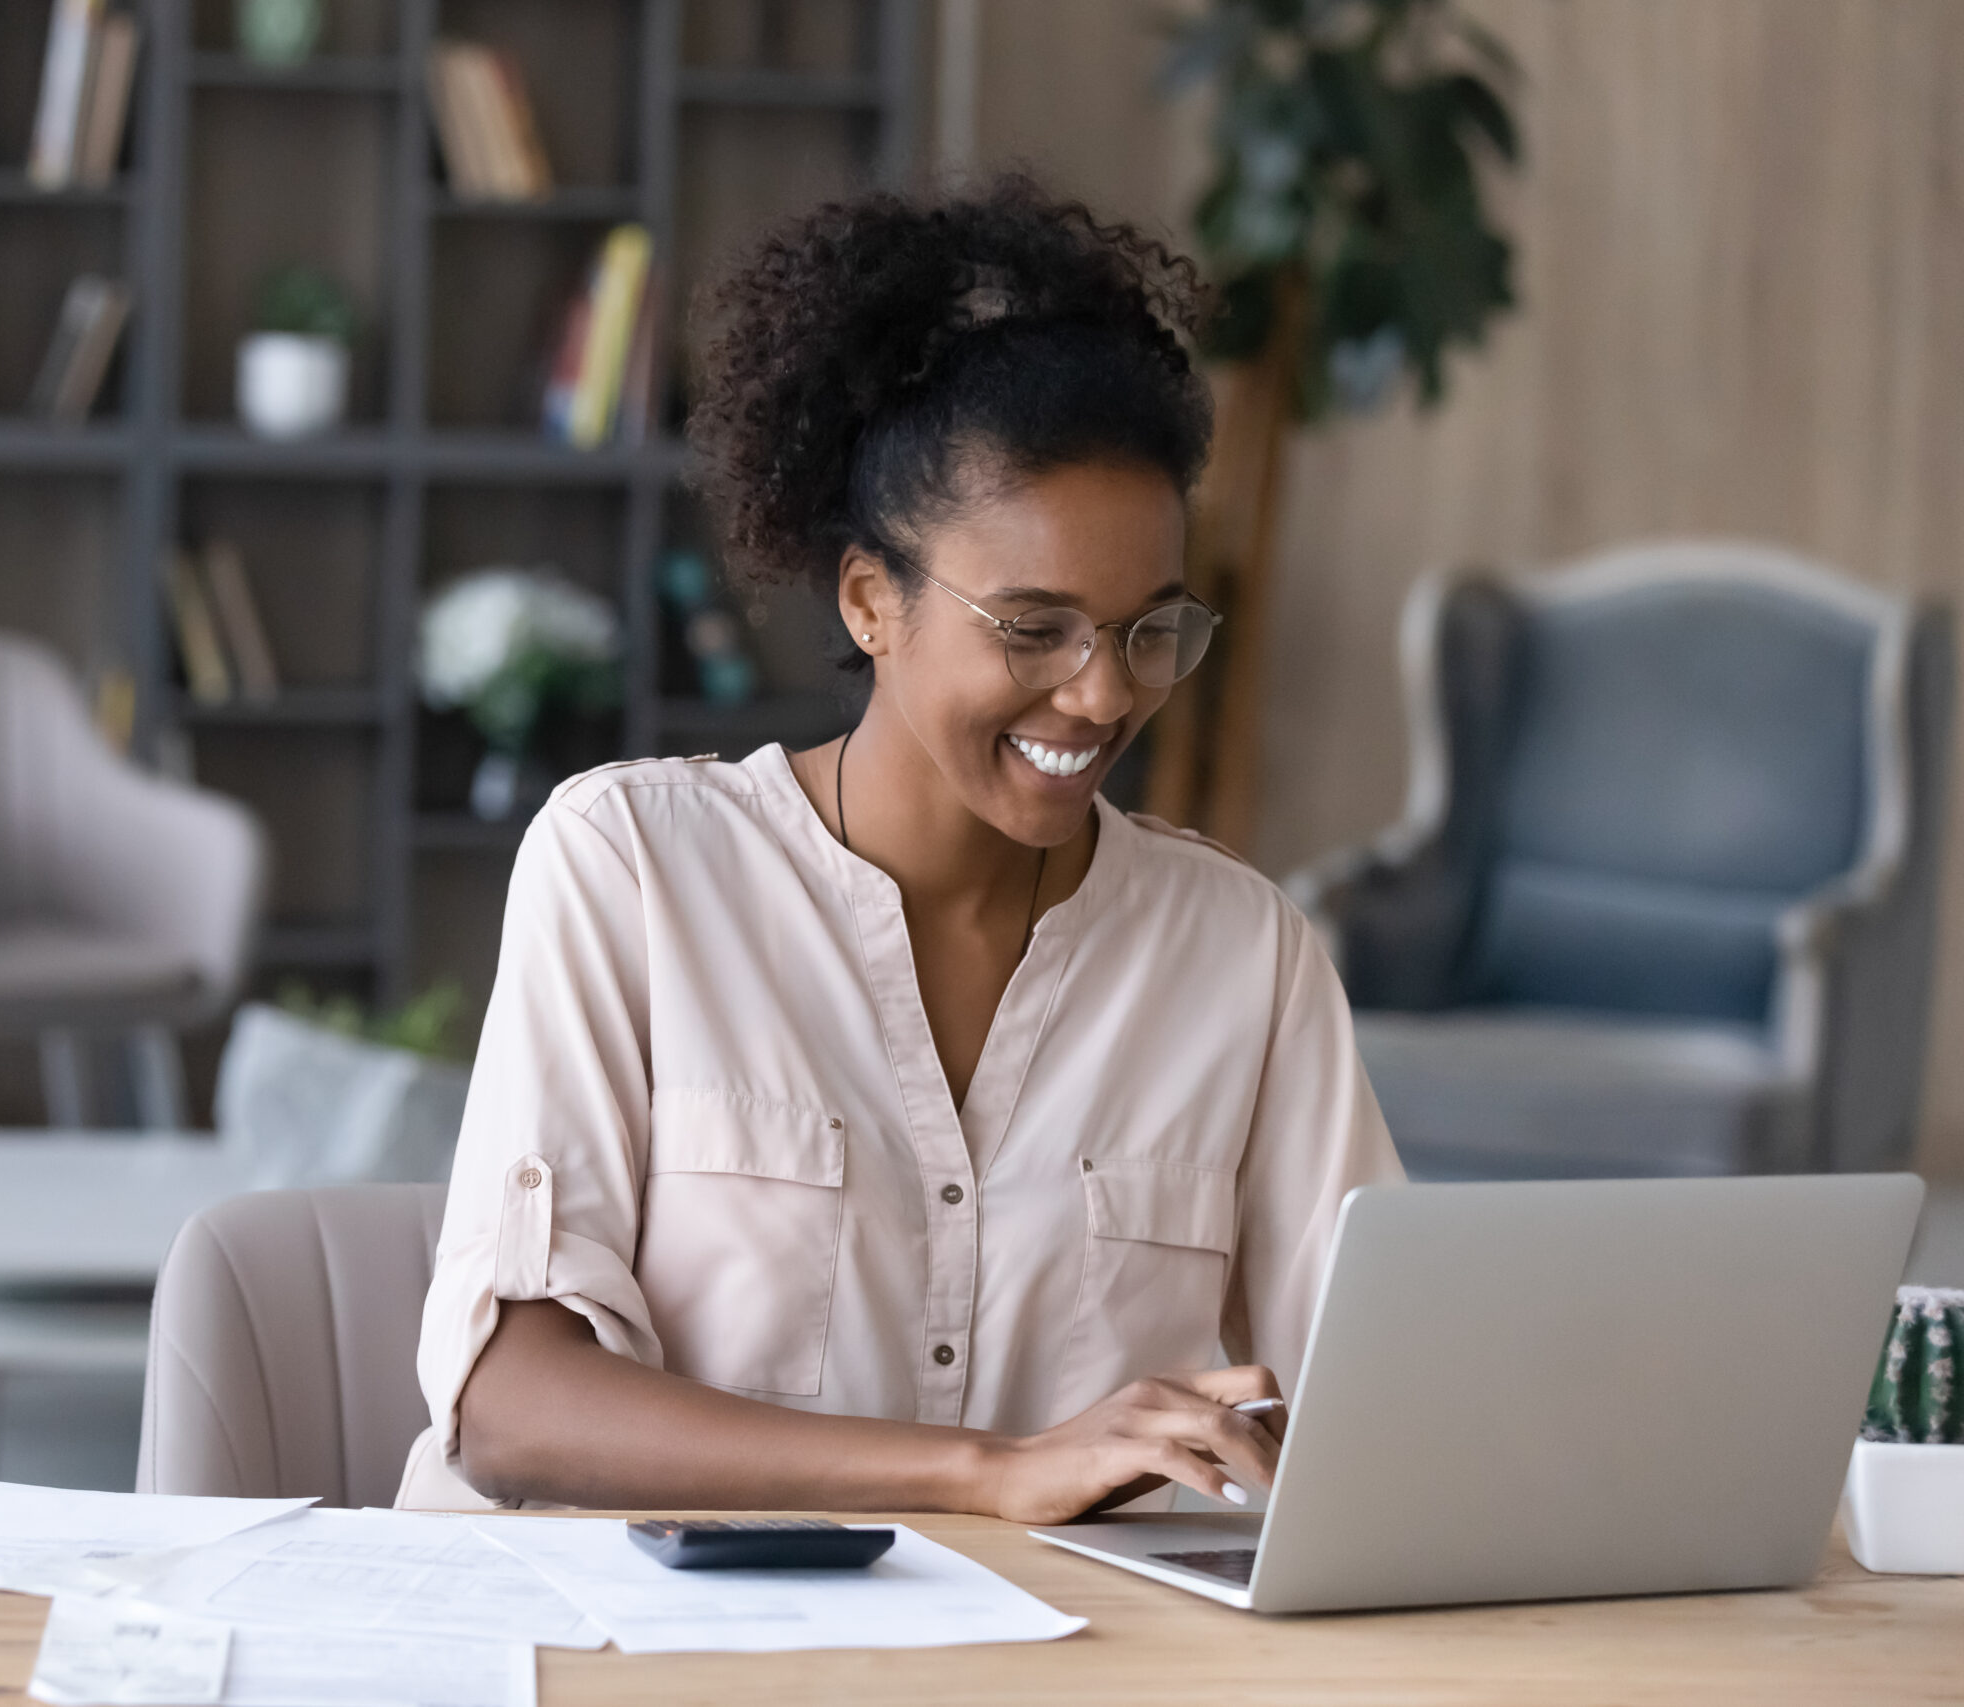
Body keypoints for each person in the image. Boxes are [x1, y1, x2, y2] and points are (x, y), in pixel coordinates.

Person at [398, 176, 1403, 1522]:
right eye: (1034, 628)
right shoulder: (631, 868)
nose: (1103, 695)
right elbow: (508, 1410)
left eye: (1149, 628)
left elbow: (1376, 1393)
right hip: (640, 1650)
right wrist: (995, 1474)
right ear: (872, 599)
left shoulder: (1240, 954)